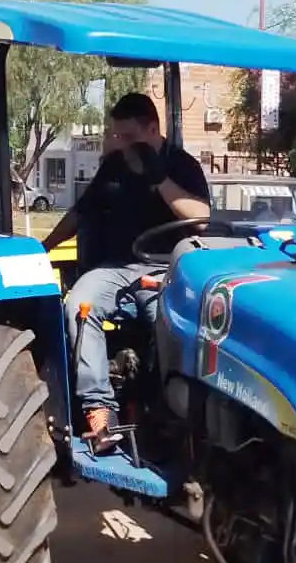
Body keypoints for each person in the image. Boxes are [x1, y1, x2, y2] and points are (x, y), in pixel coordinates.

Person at [43, 92, 210, 452]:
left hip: (166, 269)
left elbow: (201, 219)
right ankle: (100, 412)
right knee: (80, 305)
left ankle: (170, 416)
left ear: (153, 129)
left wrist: (159, 179)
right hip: (116, 269)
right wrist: (44, 247)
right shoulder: (115, 167)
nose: (122, 144)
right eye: (117, 135)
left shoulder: (181, 165)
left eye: (130, 136)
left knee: (169, 323)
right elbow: (80, 213)